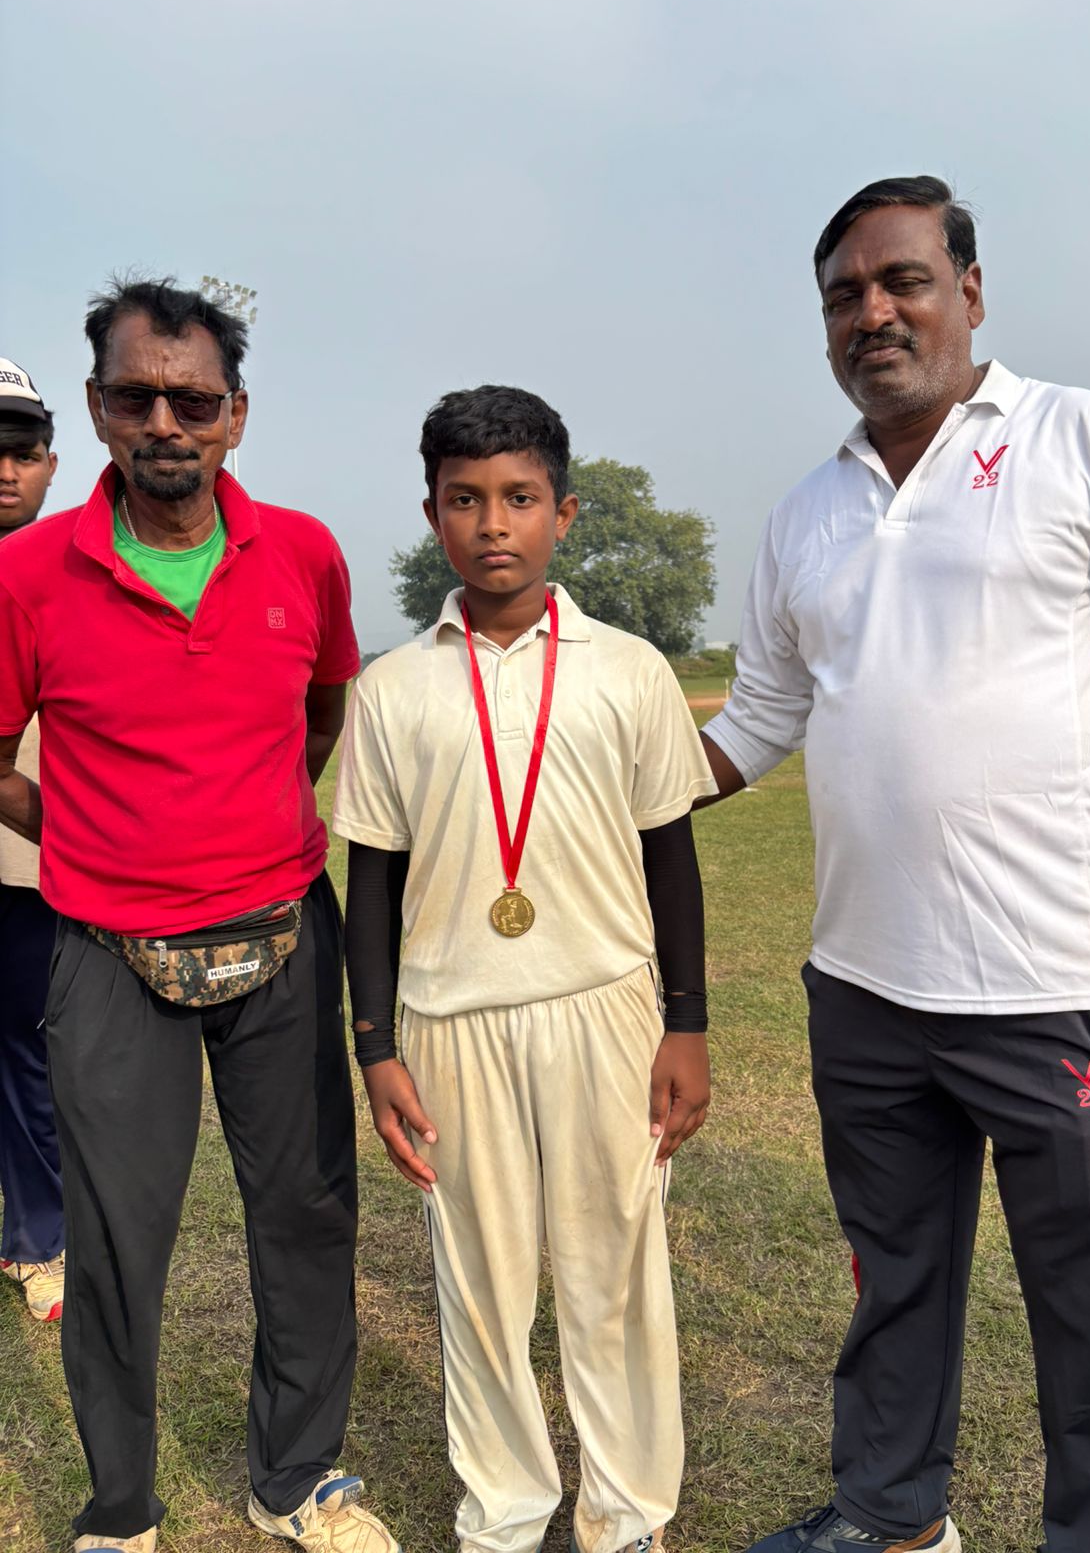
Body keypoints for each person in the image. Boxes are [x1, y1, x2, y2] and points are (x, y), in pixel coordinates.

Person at [701, 177, 1090, 1553]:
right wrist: (595, 774)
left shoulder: (1087, 441)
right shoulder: (808, 511)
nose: (875, 313)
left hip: (1053, 978)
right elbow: (755, 718)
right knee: (897, 1280)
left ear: (970, 292)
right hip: (865, 981)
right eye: (845, 296)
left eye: (903, 280)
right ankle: (892, 1517)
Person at [0, 279, 398, 1553]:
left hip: (283, 928)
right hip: (105, 949)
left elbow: (322, 713)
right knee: (118, 1239)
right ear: (97, 408)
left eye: (193, 398)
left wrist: (250, 818)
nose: (164, 420)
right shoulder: (26, 573)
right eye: (136, 395)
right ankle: (121, 1506)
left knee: (305, 1212)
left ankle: (298, 1478)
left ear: (236, 414)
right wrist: (82, 836)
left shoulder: (305, 553)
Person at [333, 385, 716, 1553]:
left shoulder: (629, 668)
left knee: (614, 1266)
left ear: (564, 511)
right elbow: (374, 887)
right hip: (450, 1021)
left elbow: (672, 858)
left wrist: (686, 1022)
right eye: (465, 500)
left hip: (604, 1007)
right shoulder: (393, 689)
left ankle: (626, 1513)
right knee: (484, 1283)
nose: (493, 523)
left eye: (519, 498)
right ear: (433, 515)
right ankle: (504, 1510)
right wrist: (375, 1046)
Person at [0, 358, 65, 1324]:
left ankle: (39, 1237)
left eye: (19, 454)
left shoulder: (76, 570)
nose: (4, 471)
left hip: (30, 854)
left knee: (31, 1053)